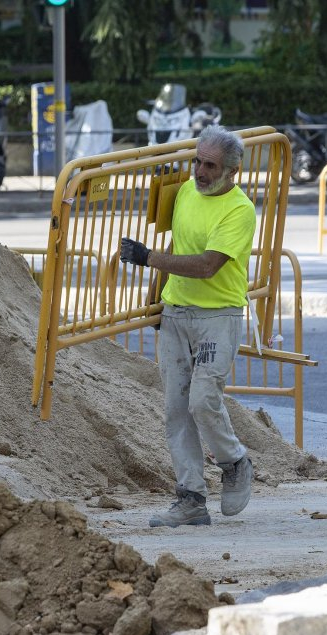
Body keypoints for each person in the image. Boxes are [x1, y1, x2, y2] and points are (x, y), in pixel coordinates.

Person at [119, 124, 255, 527]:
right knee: (176, 410)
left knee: (202, 401)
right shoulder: (184, 195)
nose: (199, 171)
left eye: (210, 165)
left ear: (233, 171)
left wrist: (149, 259)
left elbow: (207, 265)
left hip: (218, 316)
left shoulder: (240, 210)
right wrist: (157, 302)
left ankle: (235, 461)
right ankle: (191, 498)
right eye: (197, 160)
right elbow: (181, 248)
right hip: (177, 313)